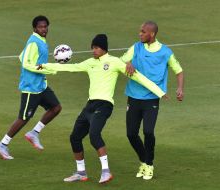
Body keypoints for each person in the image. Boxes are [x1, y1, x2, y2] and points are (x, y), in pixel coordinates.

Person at [36, 34, 166, 183]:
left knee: (94, 135)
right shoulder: (90, 63)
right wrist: (45, 66)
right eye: (93, 48)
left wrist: (159, 92)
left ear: (104, 48)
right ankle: (81, 173)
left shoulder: (114, 62)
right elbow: (70, 67)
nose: (94, 50)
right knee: (74, 137)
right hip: (89, 105)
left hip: (104, 105)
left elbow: (138, 77)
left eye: (96, 48)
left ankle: (106, 172)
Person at [120, 21, 184, 180]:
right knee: (131, 134)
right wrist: (127, 62)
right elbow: (120, 60)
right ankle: (143, 160)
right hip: (133, 97)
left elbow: (179, 70)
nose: (140, 34)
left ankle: (149, 164)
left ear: (152, 34)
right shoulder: (136, 47)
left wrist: (180, 88)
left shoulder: (165, 52)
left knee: (148, 131)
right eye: (140, 31)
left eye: (143, 32)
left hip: (151, 99)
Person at [0, 15, 61, 160]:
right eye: (41, 27)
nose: (44, 29)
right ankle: (2, 144)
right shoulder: (34, 42)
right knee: (23, 118)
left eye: (45, 26)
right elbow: (26, 63)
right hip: (31, 88)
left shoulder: (41, 41)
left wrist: (43, 70)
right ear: (35, 28)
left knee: (56, 108)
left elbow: (21, 56)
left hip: (41, 86)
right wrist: (49, 69)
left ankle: (34, 133)